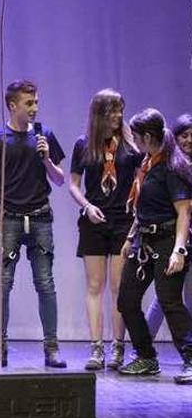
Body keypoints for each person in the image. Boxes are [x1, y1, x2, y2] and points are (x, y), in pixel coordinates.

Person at [0, 79, 67, 368]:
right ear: (12, 105)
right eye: (29, 103)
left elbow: (60, 179)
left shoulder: (45, 136)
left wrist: (47, 159)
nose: (35, 108)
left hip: (40, 217)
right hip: (9, 218)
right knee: (2, 284)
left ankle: (51, 348)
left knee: (45, 283)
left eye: (37, 102)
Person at [116, 108, 192, 384]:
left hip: (168, 240)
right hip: (143, 241)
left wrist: (179, 250)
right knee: (126, 300)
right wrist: (130, 237)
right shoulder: (147, 164)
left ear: (148, 137)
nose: (134, 142)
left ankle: (191, 359)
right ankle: (146, 357)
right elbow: (143, 207)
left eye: (136, 137)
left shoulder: (173, 167)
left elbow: (184, 212)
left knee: (170, 301)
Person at [67, 89, 141, 370]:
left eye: (120, 110)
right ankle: (96, 348)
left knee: (119, 286)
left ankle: (118, 348)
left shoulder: (129, 145)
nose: (118, 116)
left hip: (122, 221)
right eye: (112, 111)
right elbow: (73, 184)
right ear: (99, 114)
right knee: (95, 285)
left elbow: (141, 177)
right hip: (93, 220)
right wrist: (87, 206)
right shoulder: (84, 144)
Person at [145, 114, 192, 336]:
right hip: (173, 240)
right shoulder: (168, 166)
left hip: (185, 240)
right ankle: (142, 347)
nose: (189, 140)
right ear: (175, 137)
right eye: (184, 135)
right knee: (164, 298)